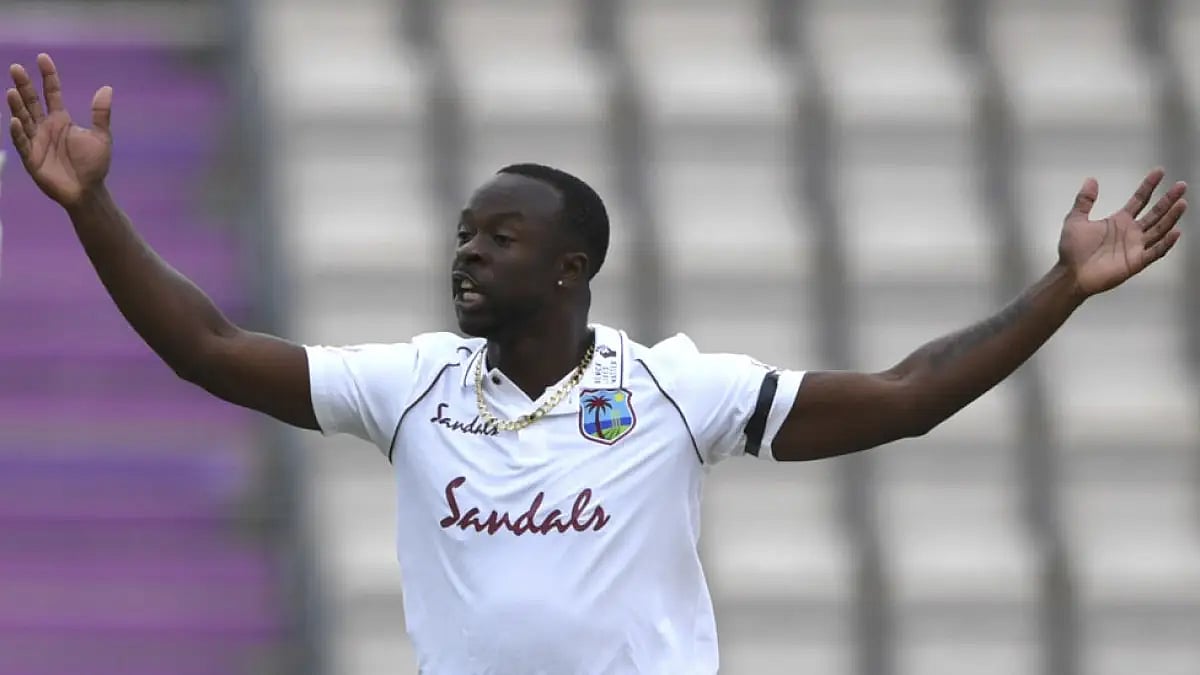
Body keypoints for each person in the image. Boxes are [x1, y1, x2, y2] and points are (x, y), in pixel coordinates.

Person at [6, 53, 1187, 674]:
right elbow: (206, 352)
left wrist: (1062, 289)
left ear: (572, 268)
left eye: (498, 238)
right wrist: (92, 206)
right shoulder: (415, 384)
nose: (467, 254)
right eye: (463, 233)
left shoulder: (672, 389)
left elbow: (904, 398)